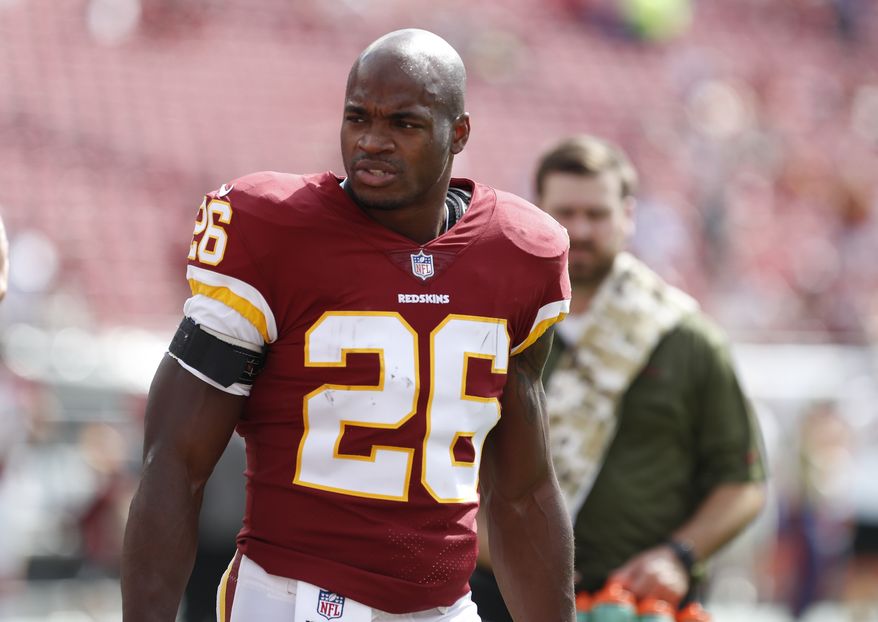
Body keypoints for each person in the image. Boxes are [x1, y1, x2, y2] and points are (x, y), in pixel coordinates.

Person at [121, 29, 576, 622]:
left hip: (443, 606)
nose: (372, 142)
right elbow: (174, 461)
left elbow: (523, 493)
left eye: (404, 125)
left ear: (458, 133)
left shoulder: (518, 252)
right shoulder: (273, 231)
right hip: (293, 598)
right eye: (357, 117)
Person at [470, 135, 767, 619]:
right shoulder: (493, 326)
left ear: (628, 215)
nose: (581, 229)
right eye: (565, 212)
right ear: (536, 214)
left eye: (598, 214)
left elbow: (744, 482)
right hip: (501, 591)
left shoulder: (686, 337)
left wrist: (679, 555)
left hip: (642, 603)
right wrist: (482, 539)